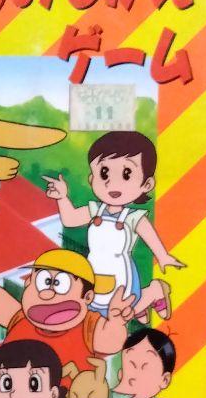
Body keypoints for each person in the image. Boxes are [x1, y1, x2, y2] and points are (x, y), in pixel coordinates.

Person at [44, 131, 184, 320]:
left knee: (118, 313)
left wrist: (163, 256)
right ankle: (142, 305)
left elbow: (150, 237)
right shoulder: (94, 210)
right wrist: (62, 197)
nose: (112, 183)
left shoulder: (133, 217)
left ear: (147, 184)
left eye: (127, 174)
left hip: (120, 271)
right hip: (94, 268)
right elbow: (70, 220)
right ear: (92, 179)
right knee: (96, 309)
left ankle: (154, 291)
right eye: (104, 173)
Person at [0, 248, 134, 376]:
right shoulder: (22, 320)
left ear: (87, 297)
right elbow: (4, 307)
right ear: (28, 284)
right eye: (44, 282)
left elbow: (110, 343)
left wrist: (116, 322)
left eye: (59, 284)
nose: (47, 294)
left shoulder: (87, 326)